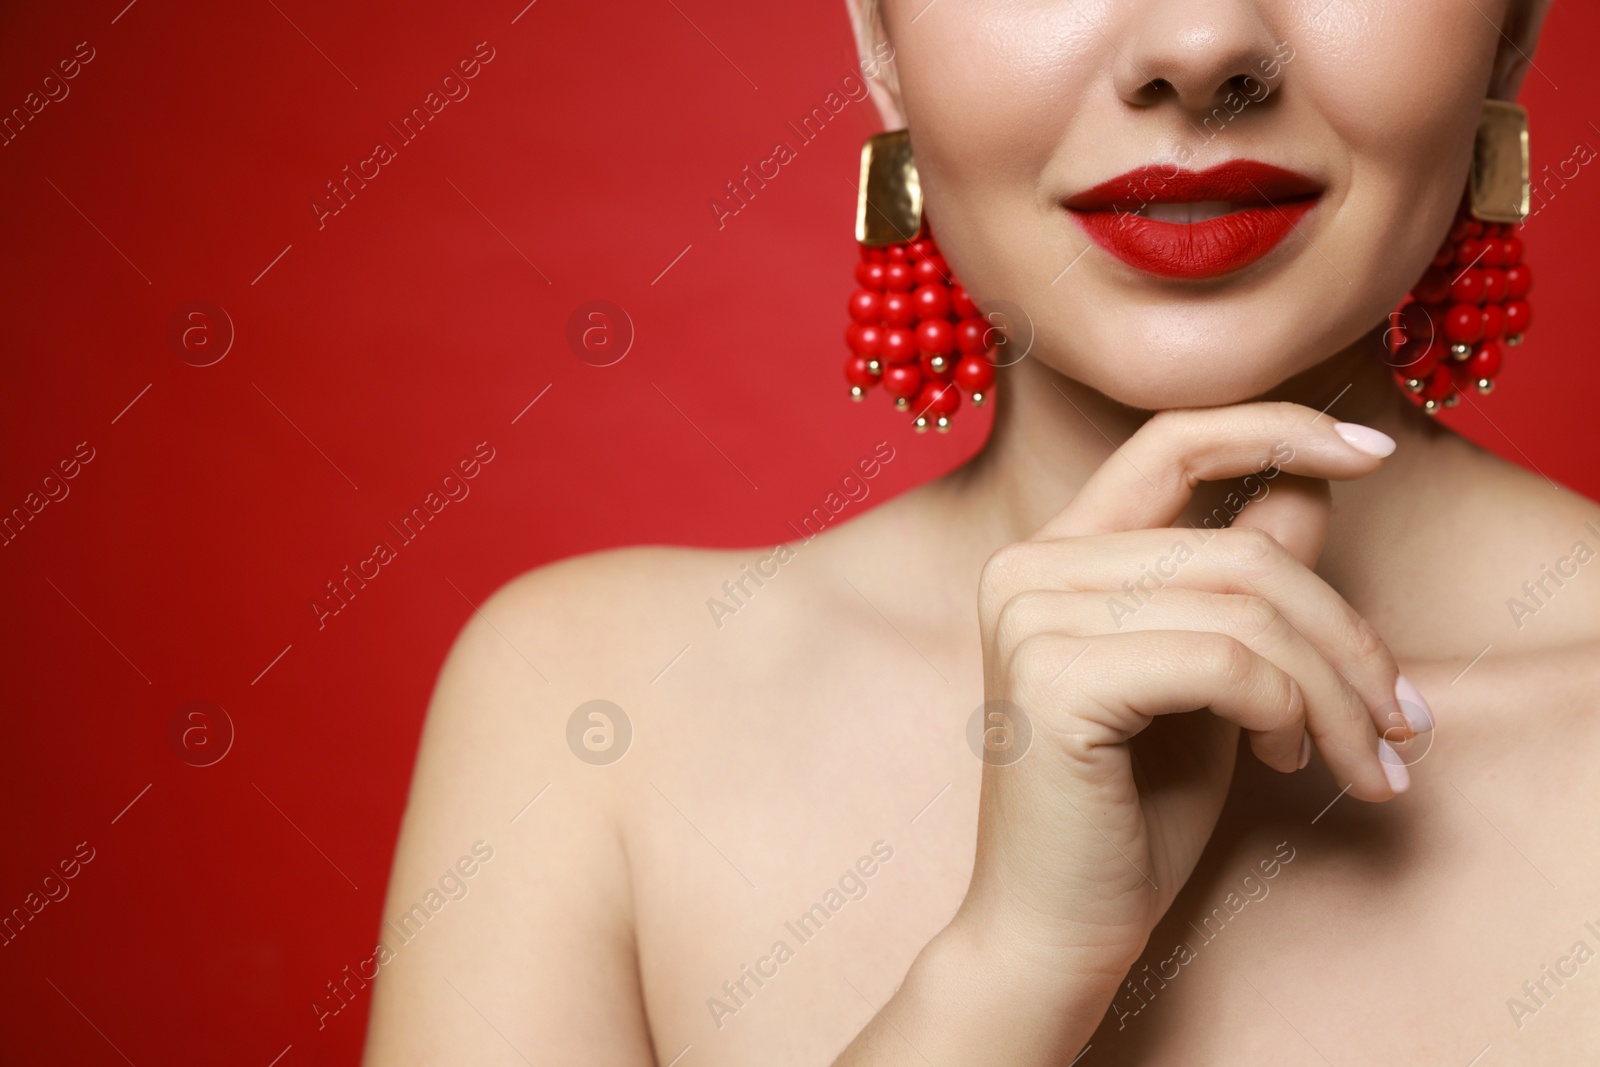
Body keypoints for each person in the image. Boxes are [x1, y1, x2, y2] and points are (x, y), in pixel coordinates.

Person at [363, 0, 1600, 1062]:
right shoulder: (597, 717)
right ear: (878, 32)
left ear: (1511, 28)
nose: (1199, 42)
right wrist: (1009, 976)